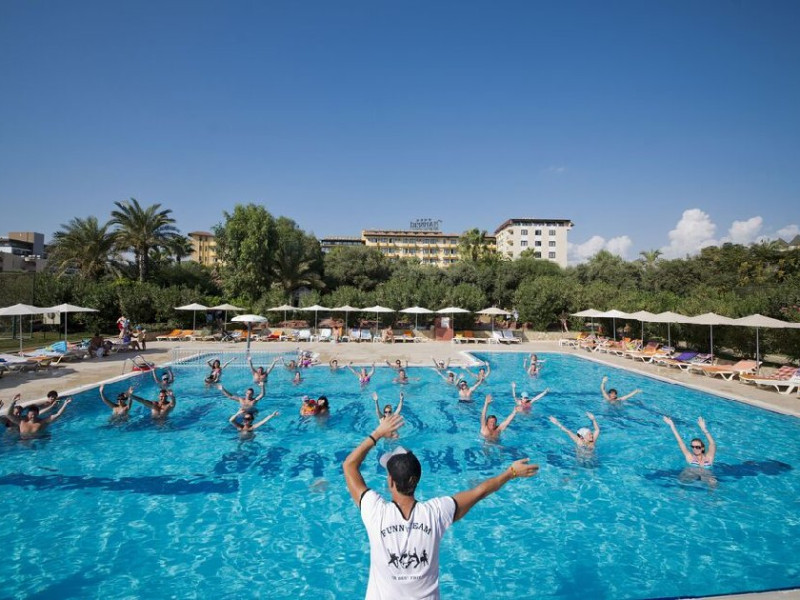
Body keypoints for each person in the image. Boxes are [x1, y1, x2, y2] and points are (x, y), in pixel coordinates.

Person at [343, 414, 538, 600]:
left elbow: (349, 465)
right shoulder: (436, 512)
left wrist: (377, 433)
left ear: (390, 481)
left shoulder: (375, 511)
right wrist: (510, 472)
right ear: (417, 480)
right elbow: (480, 491)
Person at [5, 397, 73, 438]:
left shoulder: (42, 422)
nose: (33, 416)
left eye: (34, 414)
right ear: (27, 414)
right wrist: (13, 402)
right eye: (31, 415)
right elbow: (8, 414)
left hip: (39, 439)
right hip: (24, 441)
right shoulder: (21, 422)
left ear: (37, 414)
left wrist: (65, 403)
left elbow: (58, 414)